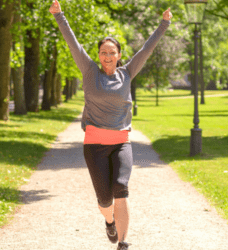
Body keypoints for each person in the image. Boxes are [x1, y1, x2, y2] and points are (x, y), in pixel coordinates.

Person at [49, 1, 172, 249]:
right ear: (98, 55)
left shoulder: (127, 73)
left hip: (121, 142)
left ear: (118, 55)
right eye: (103, 52)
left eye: (112, 52)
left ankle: (123, 243)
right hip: (94, 145)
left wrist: (164, 24)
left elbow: (147, 50)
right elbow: (73, 43)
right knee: (105, 200)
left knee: (121, 189)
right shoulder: (89, 71)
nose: (107, 56)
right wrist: (59, 16)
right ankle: (109, 223)